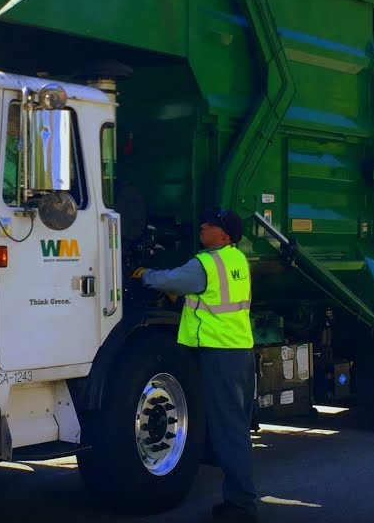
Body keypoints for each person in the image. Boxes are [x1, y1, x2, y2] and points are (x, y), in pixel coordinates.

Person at [132, 207, 258, 523]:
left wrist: (144, 275)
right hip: (239, 351)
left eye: (211, 225)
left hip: (219, 355)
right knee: (236, 429)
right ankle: (240, 499)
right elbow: (208, 295)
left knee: (228, 431)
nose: (202, 226)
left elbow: (171, 279)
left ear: (225, 235)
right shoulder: (237, 259)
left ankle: (242, 506)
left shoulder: (206, 263)